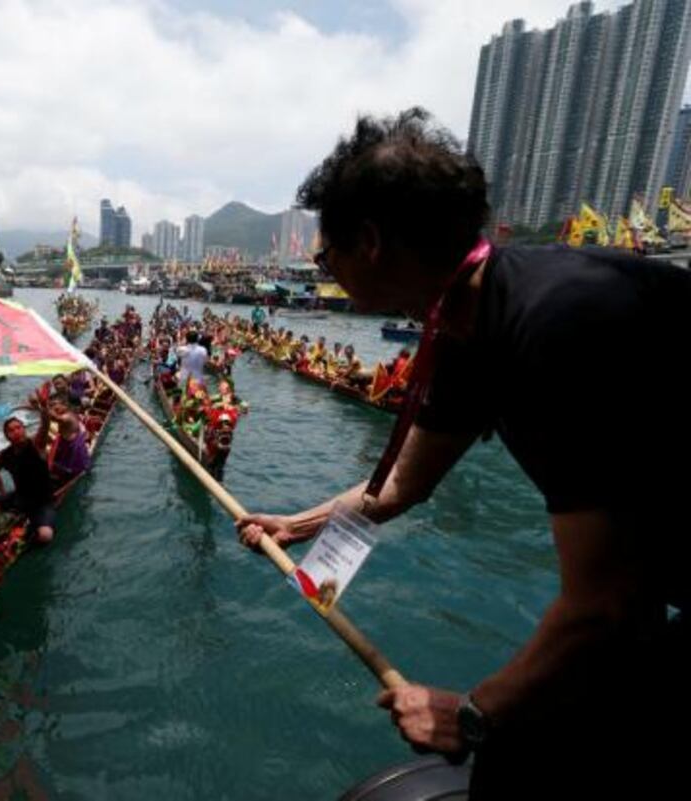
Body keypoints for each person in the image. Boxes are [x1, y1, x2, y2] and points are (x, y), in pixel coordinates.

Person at [237, 107, 690, 798]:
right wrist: (292, 527)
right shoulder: (464, 324)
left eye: (326, 257)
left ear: (370, 243)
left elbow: (605, 604)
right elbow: (400, 486)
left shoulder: (559, 320)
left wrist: (472, 713)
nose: (324, 270)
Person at [0, 416, 57, 545]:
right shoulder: (4, 455)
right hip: (20, 496)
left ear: (24, 429)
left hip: (43, 501)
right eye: (11, 430)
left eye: (18, 428)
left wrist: (44, 411)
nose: (16, 432)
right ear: (7, 436)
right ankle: (11, 519)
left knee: (46, 535)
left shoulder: (37, 444)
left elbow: (45, 425)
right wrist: (2, 492)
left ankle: (27, 532)